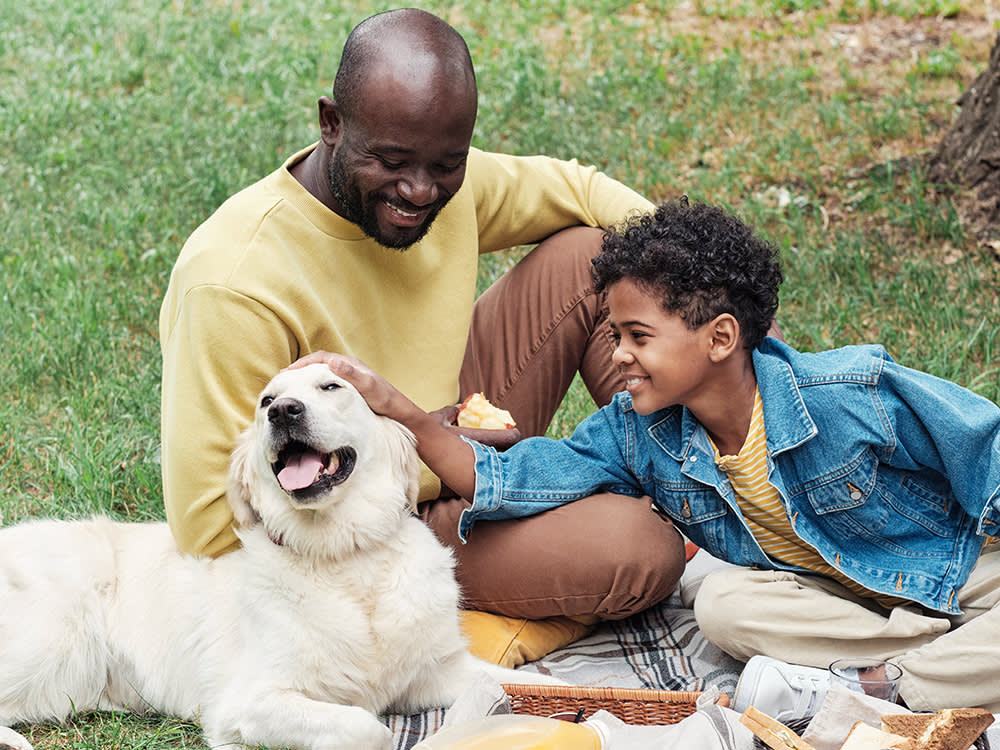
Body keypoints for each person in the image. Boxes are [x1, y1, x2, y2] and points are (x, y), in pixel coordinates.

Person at [324, 197, 1000, 713]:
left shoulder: (845, 393)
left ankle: (882, 685)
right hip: (841, 594)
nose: (617, 355)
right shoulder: (638, 433)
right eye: (616, 334)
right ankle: (946, 663)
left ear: (720, 338)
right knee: (723, 609)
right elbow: (511, 478)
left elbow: (983, 446)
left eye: (637, 336)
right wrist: (404, 413)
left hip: (960, 561)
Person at [159, 7, 685, 662]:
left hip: (452, 429)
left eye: (447, 164)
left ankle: (714, 471)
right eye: (392, 161)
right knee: (640, 549)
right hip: (363, 520)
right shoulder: (236, 280)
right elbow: (207, 525)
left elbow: (577, 188)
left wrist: (701, 275)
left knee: (593, 256)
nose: (418, 191)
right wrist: (414, 447)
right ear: (331, 123)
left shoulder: (434, 179)